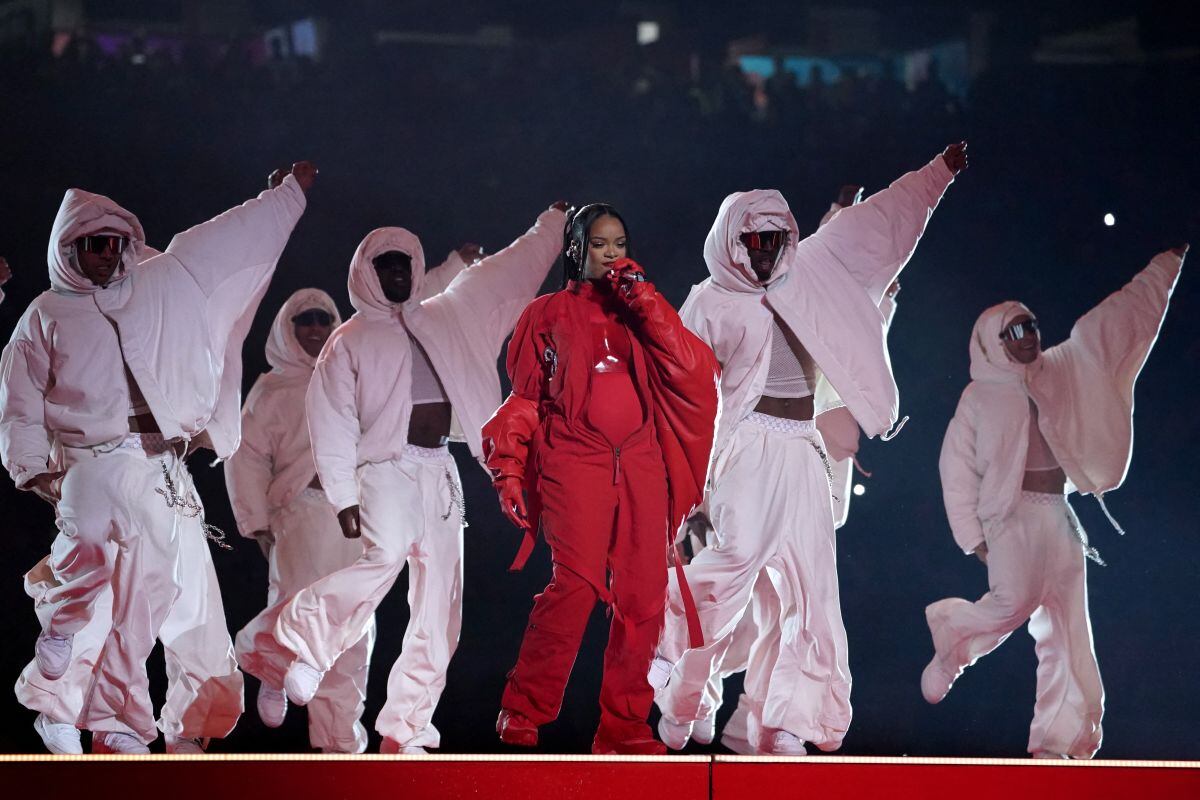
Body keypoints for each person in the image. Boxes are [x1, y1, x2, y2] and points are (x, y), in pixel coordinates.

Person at [650, 144, 966, 756]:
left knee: (814, 590)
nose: (765, 253)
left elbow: (884, 224)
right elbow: (677, 398)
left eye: (775, 242)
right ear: (733, 242)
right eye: (755, 243)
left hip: (802, 448)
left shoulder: (813, 275)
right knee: (730, 570)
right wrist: (680, 492)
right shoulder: (710, 302)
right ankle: (681, 690)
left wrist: (939, 173)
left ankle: (791, 722)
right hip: (745, 450)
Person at [0, 161, 316, 753]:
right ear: (68, 247)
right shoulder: (46, 313)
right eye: (93, 244)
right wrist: (34, 469)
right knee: (97, 590)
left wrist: (285, 197)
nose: (106, 255)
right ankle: (62, 707)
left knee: (173, 599)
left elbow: (234, 242)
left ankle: (171, 724)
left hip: (164, 472)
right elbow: (19, 402)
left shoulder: (164, 280)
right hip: (93, 464)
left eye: (114, 243)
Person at [272, 203, 567, 754]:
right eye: (386, 266)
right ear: (367, 273)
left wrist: (552, 225)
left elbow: (510, 272)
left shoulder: (445, 314)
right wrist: (342, 496)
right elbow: (331, 420)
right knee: (383, 558)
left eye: (404, 264)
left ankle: (406, 728)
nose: (398, 274)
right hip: (385, 468)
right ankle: (309, 642)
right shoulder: (350, 340)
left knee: (441, 603)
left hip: (439, 469)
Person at [923, 244, 1187, 759]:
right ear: (993, 341)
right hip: (1010, 518)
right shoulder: (979, 397)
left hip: (1058, 517)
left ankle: (1057, 740)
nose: (1028, 337)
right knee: (1012, 603)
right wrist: (973, 539)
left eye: (1031, 327)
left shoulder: (1062, 368)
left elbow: (1117, 323)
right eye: (1015, 331)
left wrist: (1164, 269)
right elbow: (955, 470)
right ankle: (952, 642)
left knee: (1069, 628)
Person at [483, 203, 718, 755]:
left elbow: (694, 368)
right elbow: (525, 398)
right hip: (574, 460)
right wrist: (508, 468)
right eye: (599, 244)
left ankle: (625, 727)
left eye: (619, 244)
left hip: (641, 463)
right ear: (576, 249)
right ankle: (524, 707)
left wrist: (644, 298)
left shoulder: (642, 310)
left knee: (643, 595)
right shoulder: (545, 314)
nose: (611, 254)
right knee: (576, 586)